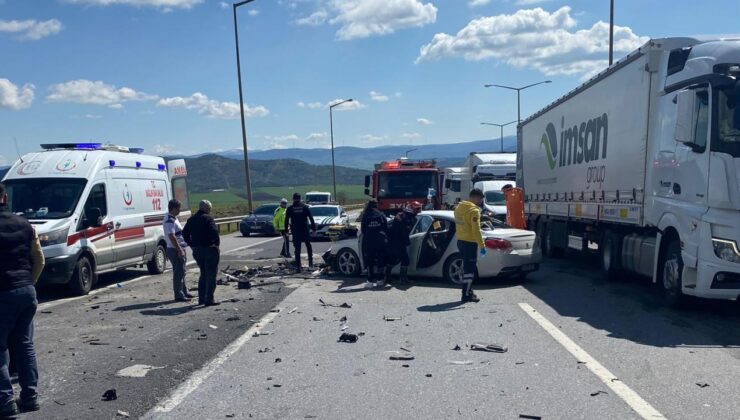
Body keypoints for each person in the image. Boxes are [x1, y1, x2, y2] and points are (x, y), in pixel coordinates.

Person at [0, 182, 44, 417]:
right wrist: (30, 284)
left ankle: (5, 402)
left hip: (2, 293)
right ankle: (30, 397)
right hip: (26, 291)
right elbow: (39, 259)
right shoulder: (26, 224)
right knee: (25, 345)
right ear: (4, 198)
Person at [183, 200, 220, 306]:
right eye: (210, 208)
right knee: (211, 275)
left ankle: (201, 299)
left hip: (197, 250)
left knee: (203, 274)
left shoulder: (191, 219)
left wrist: (191, 244)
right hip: (209, 249)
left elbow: (184, 233)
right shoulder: (208, 219)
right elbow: (214, 232)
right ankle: (209, 299)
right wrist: (216, 245)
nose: (210, 210)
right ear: (207, 208)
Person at [454, 188, 486, 303]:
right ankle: (466, 295)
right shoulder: (474, 211)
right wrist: (482, 245)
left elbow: (464, 224)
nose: (480, 201)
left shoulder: (459, 208)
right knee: (469, 271)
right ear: (476, 197)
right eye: (480, 199)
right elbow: (476, 230)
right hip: (470, 243)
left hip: (460, 241)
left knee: (467, 268)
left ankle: (469, 291)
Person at [163, 199, 193, 302]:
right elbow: (171, 236)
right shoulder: (169, 220)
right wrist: (179, 249)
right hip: (175, 249)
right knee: (178, 272)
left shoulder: (173, 218)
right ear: (174, 208)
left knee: (182, 271)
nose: (180, 210)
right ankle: (179, 295)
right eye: (179, 208)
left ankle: (184, 291)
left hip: (179, 247)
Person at [360, 200, 388, 288]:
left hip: (370, 241)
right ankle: (380, 280)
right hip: (381, 241)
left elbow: (363, 230)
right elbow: (386, 227)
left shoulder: (366, 215)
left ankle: (370, 281)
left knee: (370, 262)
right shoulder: (381, 215)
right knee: (381, 260)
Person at [384, 208, 416, 284]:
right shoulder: (403, 221)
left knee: (392, 260)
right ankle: (403, 279)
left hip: (392, 243)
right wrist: (407, 242)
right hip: (399, 244)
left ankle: (387, 278)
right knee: (405, 260)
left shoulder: (397, 219)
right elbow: (403, 233)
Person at [286, 193, 316, 272]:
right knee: (308, 246)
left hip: (296, 230)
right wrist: (314, 229)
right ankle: (311, 264)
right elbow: (311, 218)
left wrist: (286, 230)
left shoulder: (290, 208)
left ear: (293, 199)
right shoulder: (305, 207)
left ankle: (298, 267)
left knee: (297, 249)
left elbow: (286, 220)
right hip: (304, 229)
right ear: (300, 198)